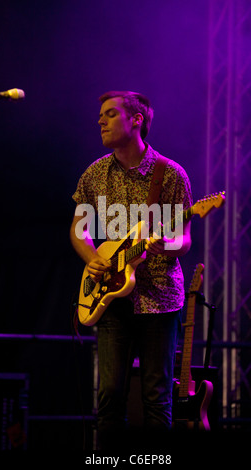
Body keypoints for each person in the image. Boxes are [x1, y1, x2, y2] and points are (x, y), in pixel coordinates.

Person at [70, 91, 192, 451]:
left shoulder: (169, 174)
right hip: (110, 295)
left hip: (159, 297)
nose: (100, 121)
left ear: (136, 119)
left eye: (110, 114)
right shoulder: (94, 173)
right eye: (100, 116)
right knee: (109, 395)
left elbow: (183, 239)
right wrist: (91, 257)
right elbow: (79, 229)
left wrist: (166, 245)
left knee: (157, 397)